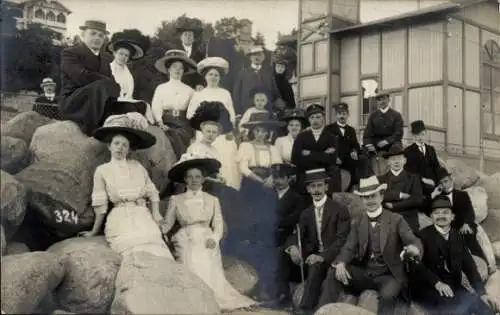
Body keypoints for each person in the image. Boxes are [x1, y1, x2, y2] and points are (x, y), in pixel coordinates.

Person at [161, 152, 257, 311]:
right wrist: (158, 229)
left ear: (203, 179)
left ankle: (211, 295)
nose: (193, 180)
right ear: (185, 179)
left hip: (207, 236)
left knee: (206, 253)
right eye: (190, 177)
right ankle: (193, 296)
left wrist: (214, 237)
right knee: (191, 257)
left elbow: (218, 223)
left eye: (197, 177)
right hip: (186, 236)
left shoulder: (212, 200)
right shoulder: (176, 200)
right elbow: (168, 224)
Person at [319, 175, 423, 315]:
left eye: (373, 196)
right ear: (361, 200)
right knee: (334, 273)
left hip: (388, 275)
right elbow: (349, 247)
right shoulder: (358, 221)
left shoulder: (396, 219)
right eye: (366, 197)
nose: (370, 200)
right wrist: (341, 263)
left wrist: (414, 248)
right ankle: (322, 311)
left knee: (388, 296)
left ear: (381, 196)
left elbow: (413, 240)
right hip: (365, 273)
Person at [79, 112, 173, 259]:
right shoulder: (102, 170)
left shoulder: (137, 166)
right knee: (132, 254)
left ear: (129, 149)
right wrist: (93, 231)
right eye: (116, 143)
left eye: (125, 145)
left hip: (142, 215)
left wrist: (156, 214)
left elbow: (152, 192)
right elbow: (100, 205)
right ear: (109, 146)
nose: (120, 148)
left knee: (156, 251)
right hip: (120, 218)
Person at [410, 195, 498, 315]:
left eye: (445, 213)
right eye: (437, 213)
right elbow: (416, 264)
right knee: (455, 311)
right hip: (428, 287)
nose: (441, 216)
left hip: (453, 286)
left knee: (485, 308)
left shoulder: (457, 236)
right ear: (431, 216)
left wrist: (481, 292)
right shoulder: (422, 236)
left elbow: (470, 267)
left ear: (452, 217)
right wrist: (437, 283)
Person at [231, 112, 284, 301]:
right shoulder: (245, 146)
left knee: (267, 224)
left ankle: (269, 285)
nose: (261, 134)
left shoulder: (272, 149)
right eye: (258, 131)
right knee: (250, 224)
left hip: (268, 186)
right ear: (253, 131)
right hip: (251, 186)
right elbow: (243, 168)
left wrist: (271, 178)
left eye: (264, 131)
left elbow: (277, 168)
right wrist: (259, 179)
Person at [284, 168, 351, 312]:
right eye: (313, 186)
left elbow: (341, 240)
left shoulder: (339, 210)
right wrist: (292, 246)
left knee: (315, 267)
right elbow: (297, 234)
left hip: (334, 257)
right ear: (308, 189)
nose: (317, 190)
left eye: (320, 185)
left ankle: (305, 309)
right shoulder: (306, 213)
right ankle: (281, 297)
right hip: (313, 257)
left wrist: (322, 257)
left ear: (326, 187)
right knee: (283, 257)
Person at [60, 20, 122, 136]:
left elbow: (114, 85)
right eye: (92, 33)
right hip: (74, 102)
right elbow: (80, 76)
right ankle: (92, 130)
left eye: (101, 35)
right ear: (83, 34)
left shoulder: (106, 58)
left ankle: (112, 125)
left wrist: (112, 85)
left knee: (130, 105)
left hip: (99, 101)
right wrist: (107, 82)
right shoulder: (70, 53)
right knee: (102, 85)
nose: (97, 38)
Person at [186, 57, 240, 190]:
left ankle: (228, 190)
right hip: (204, 133)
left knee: (227, 161)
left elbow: (231, 115)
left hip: (221, 134)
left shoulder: (225, 93)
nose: (213, 77)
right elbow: (190, 114)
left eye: (216, 75)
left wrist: (229, 130)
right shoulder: (199, 94)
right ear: (205, 76)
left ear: (220, 78)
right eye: (210, 74)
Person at [429, 167, 488, 263]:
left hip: (464, 225)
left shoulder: (462, 195)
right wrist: (433, 195)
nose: (444, 184)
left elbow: (470, 212)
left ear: (451, 179)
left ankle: (484, 263)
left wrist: (466, 223)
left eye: (446, 181)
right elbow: (426, 208)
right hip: (449, 227)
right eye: (441, 183)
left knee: (469, 237)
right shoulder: (438, 197)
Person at [272, 163, 308, 306]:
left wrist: (273, 221)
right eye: (275, 177)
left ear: (289, 179)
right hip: (267, 235)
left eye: (281, 178)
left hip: (287, 237)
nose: (277, 181)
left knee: (281, 254)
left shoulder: (297, 198)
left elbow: (294, 219)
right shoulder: (267, 195)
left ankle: (283, 294)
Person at [152, 49, 198, 158]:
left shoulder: (190, 90)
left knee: (181, 137)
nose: (177, 70)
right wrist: (159, 122)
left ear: (184, 71)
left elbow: (193, 111)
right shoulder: (161, 88)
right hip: (165, 121)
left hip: (183, 124)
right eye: (174, 67)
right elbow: (156, 106)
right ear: (168, 69)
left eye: (180, 68)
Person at [291, 103, 342, 196]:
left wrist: (310, 153)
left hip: (325, 176)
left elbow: (332, 159)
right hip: (306, 177)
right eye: (312, 117)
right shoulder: (301, 137)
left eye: (318, 117)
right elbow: (295, 158)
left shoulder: (331, 137)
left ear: (323, 118)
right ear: (308, 119)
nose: (315, 120)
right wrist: (323, 154)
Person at [378, 144, 424, 233]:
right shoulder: (380, 179)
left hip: (409, 223)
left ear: (405, 161)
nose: (396, 161)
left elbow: (417, 199)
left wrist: (394, 205)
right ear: (388, 162)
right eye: (393, 159)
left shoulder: (413, 178)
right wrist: (399, 195)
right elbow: (379, 196)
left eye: (399, 158)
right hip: (387, 223)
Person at [106, 38, 154, 123]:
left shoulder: (128, 74)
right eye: (121, 54)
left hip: (124, 100)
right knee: (130, 108)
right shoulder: (107, 68)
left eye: (126, 55)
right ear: (114, 53)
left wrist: (126, 99)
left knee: (144, 105)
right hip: (110, 101)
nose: (123, 57)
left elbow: (129, 93)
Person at [232, 46, 281, 116]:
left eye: (259, 55)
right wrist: (238, 112)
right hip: (247, 110)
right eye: (254, 55)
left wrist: (279, 109)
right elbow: (236, 93)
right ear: (250, 57)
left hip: (266, 110)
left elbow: (274, 92)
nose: (256, 57)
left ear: (263, 57)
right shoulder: (243, 73)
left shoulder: (268, 73)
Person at [325, 102, 362, 190]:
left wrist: (354, 151)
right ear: (336, 115)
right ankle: (334, 191)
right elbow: (325, 146)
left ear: (348, 115)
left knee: (359, 162)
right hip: (334, 159)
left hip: (347, 159)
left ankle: (354, 188)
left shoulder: (351, 130)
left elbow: (355, 145)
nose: (342, 116)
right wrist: (334, 157)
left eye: (344, 114)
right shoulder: (328, 129)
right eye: (339, 114)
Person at [404, 120, 441, 197]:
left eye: (422, 134)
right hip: (419, 184)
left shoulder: (431, 149)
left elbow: (436, 166)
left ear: (426, 133)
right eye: (417, 135)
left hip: (433, 183)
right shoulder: (408, 151)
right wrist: (424, 180)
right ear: (412, 136)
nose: (420, 138)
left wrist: (437, 181)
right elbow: (408, 172)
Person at [168, 21, 205, 90]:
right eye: (185, 35)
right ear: (181, 37)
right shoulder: (174, 52)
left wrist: (200, 83)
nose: (188, 37)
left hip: (193, 87)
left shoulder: (200, 54)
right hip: (176, 85)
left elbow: (202, 71)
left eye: (190, 35)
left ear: (194, 38)